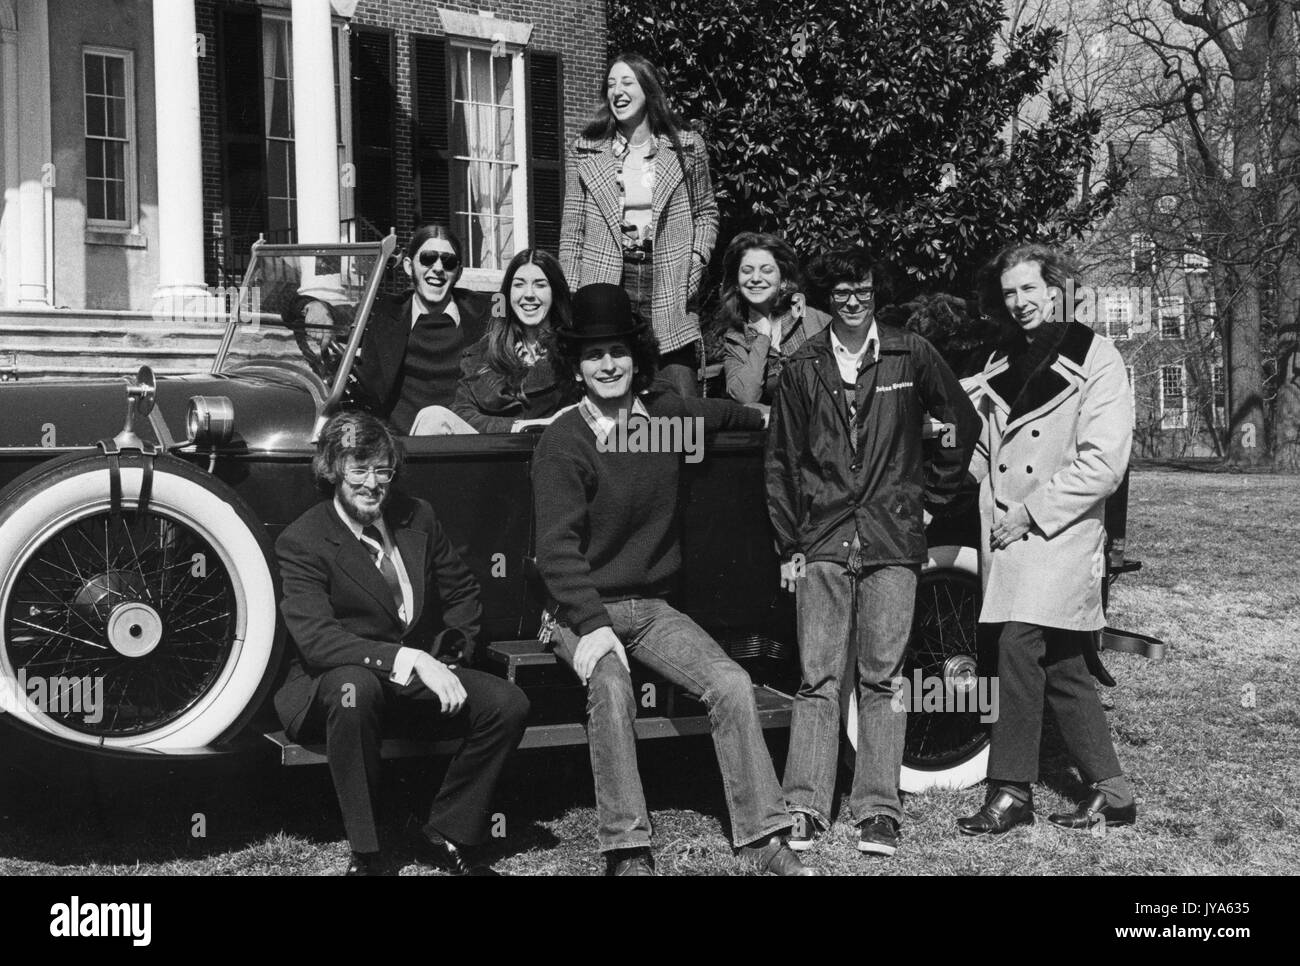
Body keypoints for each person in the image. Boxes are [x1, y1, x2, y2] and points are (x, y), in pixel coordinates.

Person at [532, 283, 813, 876]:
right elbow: (556, 552)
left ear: (637, 356)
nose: (608, 365)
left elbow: (724, 413)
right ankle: (628, 849)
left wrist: (766, 414)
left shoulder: (660, 421)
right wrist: (590, 625)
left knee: (732, 683)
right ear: (576, 367)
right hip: (578, 610)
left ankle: (765, 839)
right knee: (610, 688)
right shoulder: (566, 440)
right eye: (593, 355)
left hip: (652, 607)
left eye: (618, 352)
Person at [765, 249, 979, 857]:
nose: (852, 300)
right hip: (825, 538)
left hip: (893, 537)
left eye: (861, 289)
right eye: (841, 291)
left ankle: (877, 811)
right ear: (826, 297)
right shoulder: (804, 364)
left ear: (875, 292)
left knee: (883, 678)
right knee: (817, 677)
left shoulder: (911, 353)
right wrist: (790, 543)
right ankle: (804, 804)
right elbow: (781, 463)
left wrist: (931, 498)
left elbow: (959, 418)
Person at [273, 412, 529, 875]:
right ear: (332, 470)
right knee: (356, 688)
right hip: (333, 689)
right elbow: (318, 640)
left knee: (507, 703)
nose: (373, 483)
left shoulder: (417, 516)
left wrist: (449, 660)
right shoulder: (303, 540)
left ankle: (448, 831)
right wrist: (407, 658)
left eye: (383, 470)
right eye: (359, 469)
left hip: (410, 682)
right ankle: (368, 855)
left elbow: (463, 594)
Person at [957, 244, 1137, 836]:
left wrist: (1031, 514)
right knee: (1061, 663)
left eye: (1030, 289)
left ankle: (1011, 790)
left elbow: (1103, 464)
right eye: (1010, 292)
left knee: (1016, 642)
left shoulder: (1099, 358)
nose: (1019, 302)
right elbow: (988, 449)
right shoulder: (997, 360)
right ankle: (1113, 791)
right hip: (1006, 530)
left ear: (1057, 289)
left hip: (1058, 529)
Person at [559, 52, 719, 397]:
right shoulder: (585, 150)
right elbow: (572, 232)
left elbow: (706, 213)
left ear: (648, 89)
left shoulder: (687, 147)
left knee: (679, 389)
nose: (617, 91)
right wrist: (577, 296)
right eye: (611, 84)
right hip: (608, 282)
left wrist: (695, 264)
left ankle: (676, 450)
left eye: (627, 82)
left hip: (667, 276)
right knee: (612, 388)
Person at [354, 224, 492, 435]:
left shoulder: (484, 309)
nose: (438, 268)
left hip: (466, 442)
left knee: (434, 419)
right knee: (346, 438)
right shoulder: (382, 311)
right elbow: (332, 313)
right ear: (409, 266)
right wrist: (308, 305)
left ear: (459, 272)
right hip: (399, 447)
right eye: (428, 258)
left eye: (449, 262)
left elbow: (521, 299)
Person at [451, 249, 577, 433]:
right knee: (432, 415)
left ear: (555, 293)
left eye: (540, 285)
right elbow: (461, 413)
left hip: (553, 451)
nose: (529, 294)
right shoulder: (480, 355)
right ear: (508, 294)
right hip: (493, 453)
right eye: (519, 285)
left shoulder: (573, 351)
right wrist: (517, 427)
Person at [717, 232, 832, 404]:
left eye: (766, 270)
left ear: (784, 281)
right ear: (736, 283)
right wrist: (763, 336)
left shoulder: (813, 319)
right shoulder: (736, 339)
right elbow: (746, 396)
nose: (755, 278)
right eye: (747, 271)